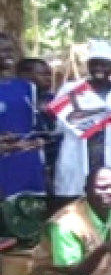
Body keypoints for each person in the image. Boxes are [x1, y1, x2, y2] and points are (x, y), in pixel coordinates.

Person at [53, 40, 111, 197]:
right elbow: (59, 127)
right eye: (95, 64)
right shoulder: (70, 89)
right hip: (77, 156)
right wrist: (82, 118)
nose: (99, 69)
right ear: (88, 65)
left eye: (105, 65)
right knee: (74, 203)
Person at [0, 53, 45, 198]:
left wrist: (39, 141)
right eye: (2, 49)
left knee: (26, 215)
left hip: (25, 168)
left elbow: (34, 128)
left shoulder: (27, 88)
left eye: (9, 49)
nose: (7, 54)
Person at [17, 57, 60, 193]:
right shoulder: (17, 101)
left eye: (49, 74)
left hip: (55, 162)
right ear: (24, 76)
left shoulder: (55, 100)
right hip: (24, 164)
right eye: (43, 74)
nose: (48, 78)